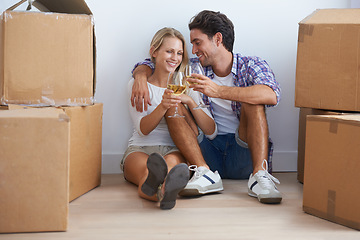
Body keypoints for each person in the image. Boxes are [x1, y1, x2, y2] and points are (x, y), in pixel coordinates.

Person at [131, 11, 282, 204]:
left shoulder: (251, 65)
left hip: (243, 151)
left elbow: (271, 94)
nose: (193, 50)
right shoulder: (193, 68)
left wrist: (218, 91)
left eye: (197, 42)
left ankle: (260, 175)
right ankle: (205, 173)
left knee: (253, 100)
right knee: (174, 104)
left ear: (217, 39)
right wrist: (140, 76)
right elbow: (156, 62)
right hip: (204, 152)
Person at [121, 27, 223, 210]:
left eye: (179, 53)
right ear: (154, 52)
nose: (174, 58)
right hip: (140, 148)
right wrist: (163, 105)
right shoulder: (138, 86)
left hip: (173, 149)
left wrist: (190, 101)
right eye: (169, 51)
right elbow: (143, 129)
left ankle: (165, 189)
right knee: (148, 172)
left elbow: (211, 130)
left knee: (169, 168)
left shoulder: (185, 85)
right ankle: (162, 191)